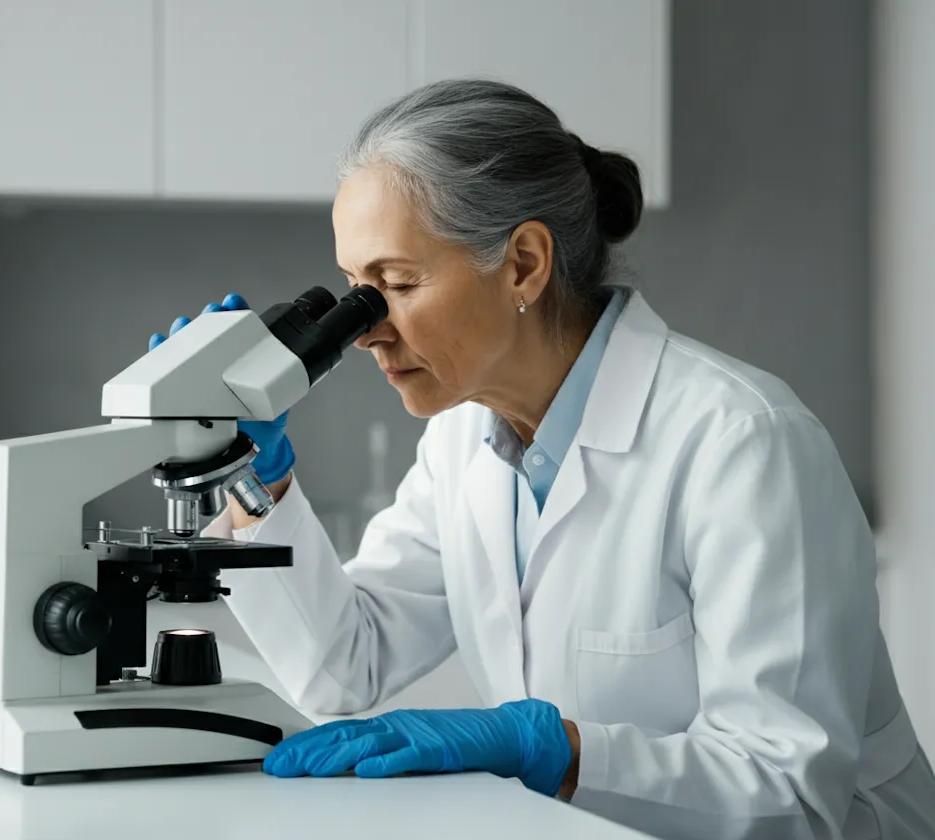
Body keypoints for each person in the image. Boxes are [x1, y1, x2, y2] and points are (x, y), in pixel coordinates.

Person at [149, 80, 935, 839]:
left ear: (523, 262)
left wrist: (554, 749)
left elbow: (794, 796)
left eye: (396, 284)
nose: (364, 331)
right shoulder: (464, 440)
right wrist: (256, 475)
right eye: (355, 288)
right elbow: (344, 667)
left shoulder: (744, 442)